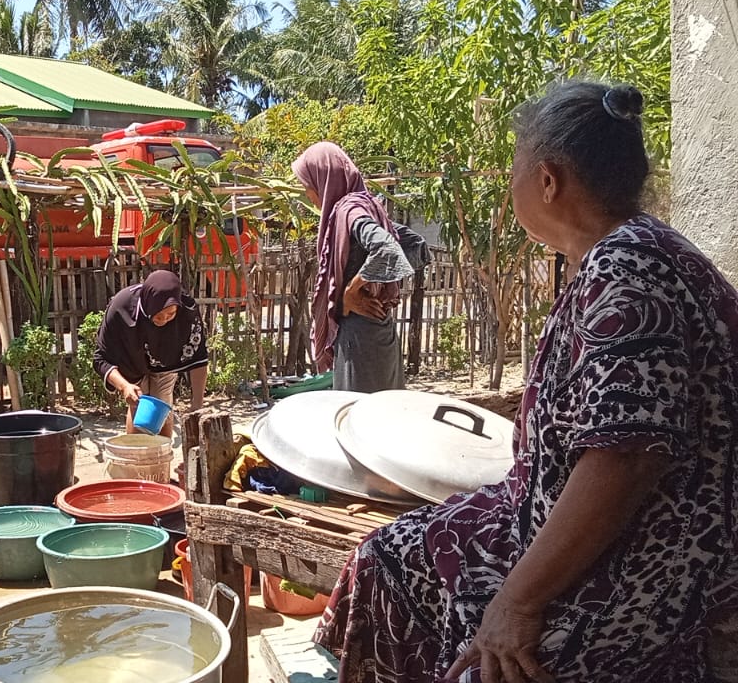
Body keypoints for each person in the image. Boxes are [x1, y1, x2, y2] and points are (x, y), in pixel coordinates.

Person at [313, 81, 738, 682]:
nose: (510, 181)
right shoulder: (628, 253)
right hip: (588, 530)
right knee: (385, 558)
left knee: (483, 659)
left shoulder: (629, 271)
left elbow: (626, 459)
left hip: (654, 562)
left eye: (516, 167)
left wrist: (518, 602)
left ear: (548, 180)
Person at [293, 142, 429, 392]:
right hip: (378, 331)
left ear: (324, 180)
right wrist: (379, 287)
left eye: (307, 186)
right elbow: (415, 246)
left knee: (359, 420)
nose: (308, 194)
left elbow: (388, 248)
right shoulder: (368, 206)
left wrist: (354, 290)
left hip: (362, 340)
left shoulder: (350, 209)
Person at [93, 270, 208, 436]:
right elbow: (100, 359)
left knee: (160, 405)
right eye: (158, 315)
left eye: (170, 314)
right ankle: (137, 457)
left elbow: (199, 358)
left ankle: (162, 457)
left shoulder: (186, 310)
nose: (164, 320)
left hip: (166, 361)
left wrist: (197, 404)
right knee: (139, 408)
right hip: (130, 362)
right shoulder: (121, 307)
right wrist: (125, 387)